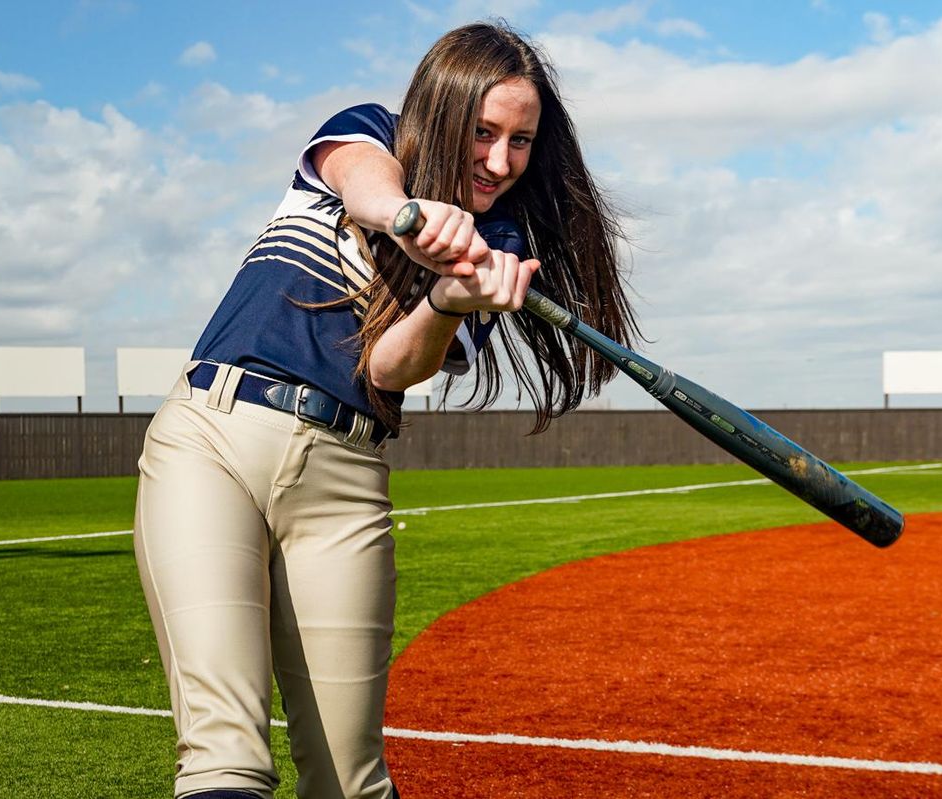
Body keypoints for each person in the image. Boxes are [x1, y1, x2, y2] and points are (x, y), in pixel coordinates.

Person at [133, 21, 639, 799]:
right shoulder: (370, 132)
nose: (500, 161)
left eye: (521, 141)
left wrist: (448, 297)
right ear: (443, 108)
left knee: (351, 782)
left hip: (344, 477)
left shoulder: (497, 240)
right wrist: (413, 220)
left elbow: (388, 367)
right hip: (213, 439)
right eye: (483, 132)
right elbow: (367, 189)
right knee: (227, 759)